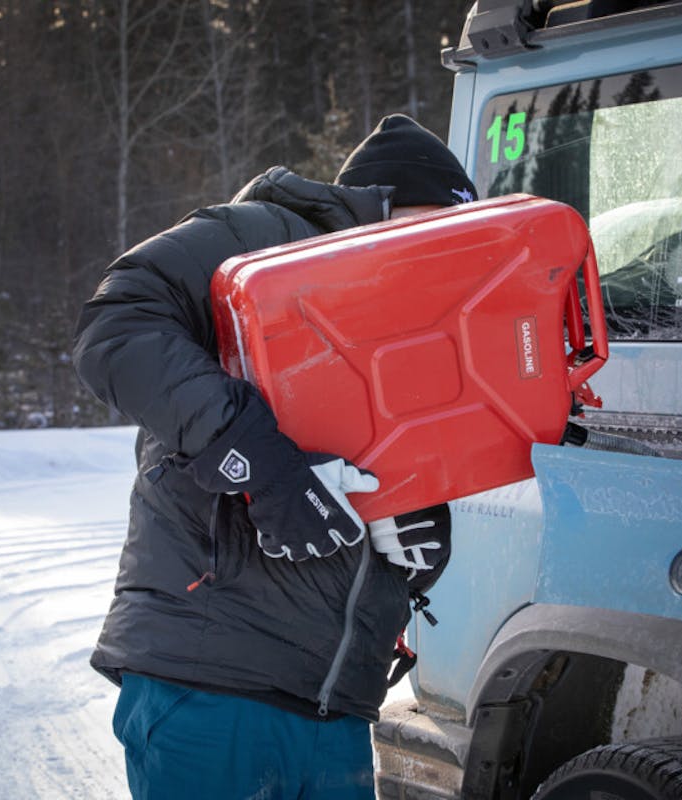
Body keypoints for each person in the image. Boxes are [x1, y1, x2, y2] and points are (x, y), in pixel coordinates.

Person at [72, 115, 477, 800]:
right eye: (435, 225)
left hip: (335, 709)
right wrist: (260, 464)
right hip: (213, 687)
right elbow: (117, 327)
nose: (442, 256)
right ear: (386, 201)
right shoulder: (266, 237)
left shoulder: (404, 325)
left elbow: (356, 471)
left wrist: (409, 540)